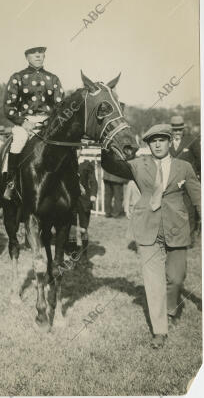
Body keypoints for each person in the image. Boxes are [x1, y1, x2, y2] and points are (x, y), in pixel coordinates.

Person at [101, 124, 201, 349]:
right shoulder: (139, 165)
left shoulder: (183, 167)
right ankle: (160, 330)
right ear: (148, 144)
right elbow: (111, 166)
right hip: (147, 229)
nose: (157, 144)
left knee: (176, 278)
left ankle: (170, 308)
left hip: (177, 228)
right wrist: (104, 146)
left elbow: (198, 196)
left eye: (162, 140)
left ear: (169, 142)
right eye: (153, 141)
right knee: (153, 281)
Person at [3, 45, 64, 200]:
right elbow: (8, 106)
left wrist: (51, 123)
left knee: (64, 144)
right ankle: (11, 182)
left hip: (48, 122)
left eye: (41, 53)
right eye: (33, 53)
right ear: (27, 57)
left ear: (44, 56)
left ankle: (74, 180)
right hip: (25, 122)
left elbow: (60, 106)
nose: (38, 56)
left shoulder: (53, 78)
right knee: (18, 142)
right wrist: (24, 122)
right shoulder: (18, 77)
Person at [169, 115, 201, 244]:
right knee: (173, 209)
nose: (177, 132)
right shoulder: (167, 141)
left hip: (188, 181)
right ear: (172, 130)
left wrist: (196, 176)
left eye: (180, 130)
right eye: (175, 130)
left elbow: (199, 160)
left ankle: (189, 238)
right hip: (172, 182)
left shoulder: (192, 140)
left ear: (183, 129)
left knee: (189, 209)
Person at [67, 149, 98, 265]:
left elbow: (93, 181)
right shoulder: (67, 163)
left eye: (78, 149)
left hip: (84, 200)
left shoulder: (86, 164)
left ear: (81, 150)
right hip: (71, 201)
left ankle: (84, 254)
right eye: (74, 149)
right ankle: (73, 255)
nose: (76, 152)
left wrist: (93, 195)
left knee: (84, 229)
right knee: (72, 229)